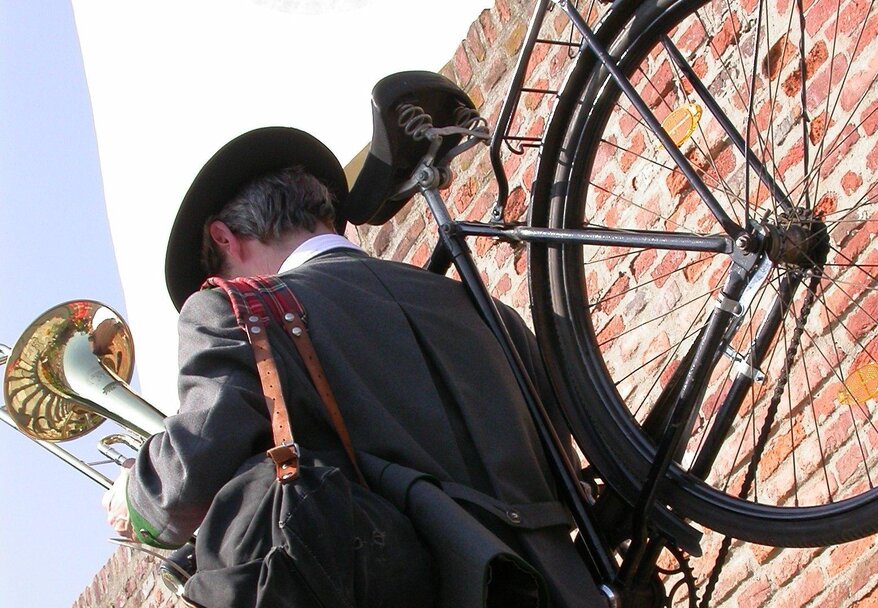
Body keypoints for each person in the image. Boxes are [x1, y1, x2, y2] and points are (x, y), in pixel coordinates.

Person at [101, 126, 606, 607]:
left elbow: (196, 460)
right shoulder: (488, 310)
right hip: (567, 588)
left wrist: (136, 499)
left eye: (220, 267)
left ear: (225, 239)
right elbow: (562, 466)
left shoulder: (233, 310)